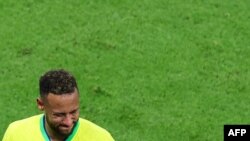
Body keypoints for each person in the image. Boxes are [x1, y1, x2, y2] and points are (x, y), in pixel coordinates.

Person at [2, 69, 115, 141]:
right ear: (41, 104)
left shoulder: (101, 138)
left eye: (73, 112)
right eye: (59, 115)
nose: (68, 122)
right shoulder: (16, 134)